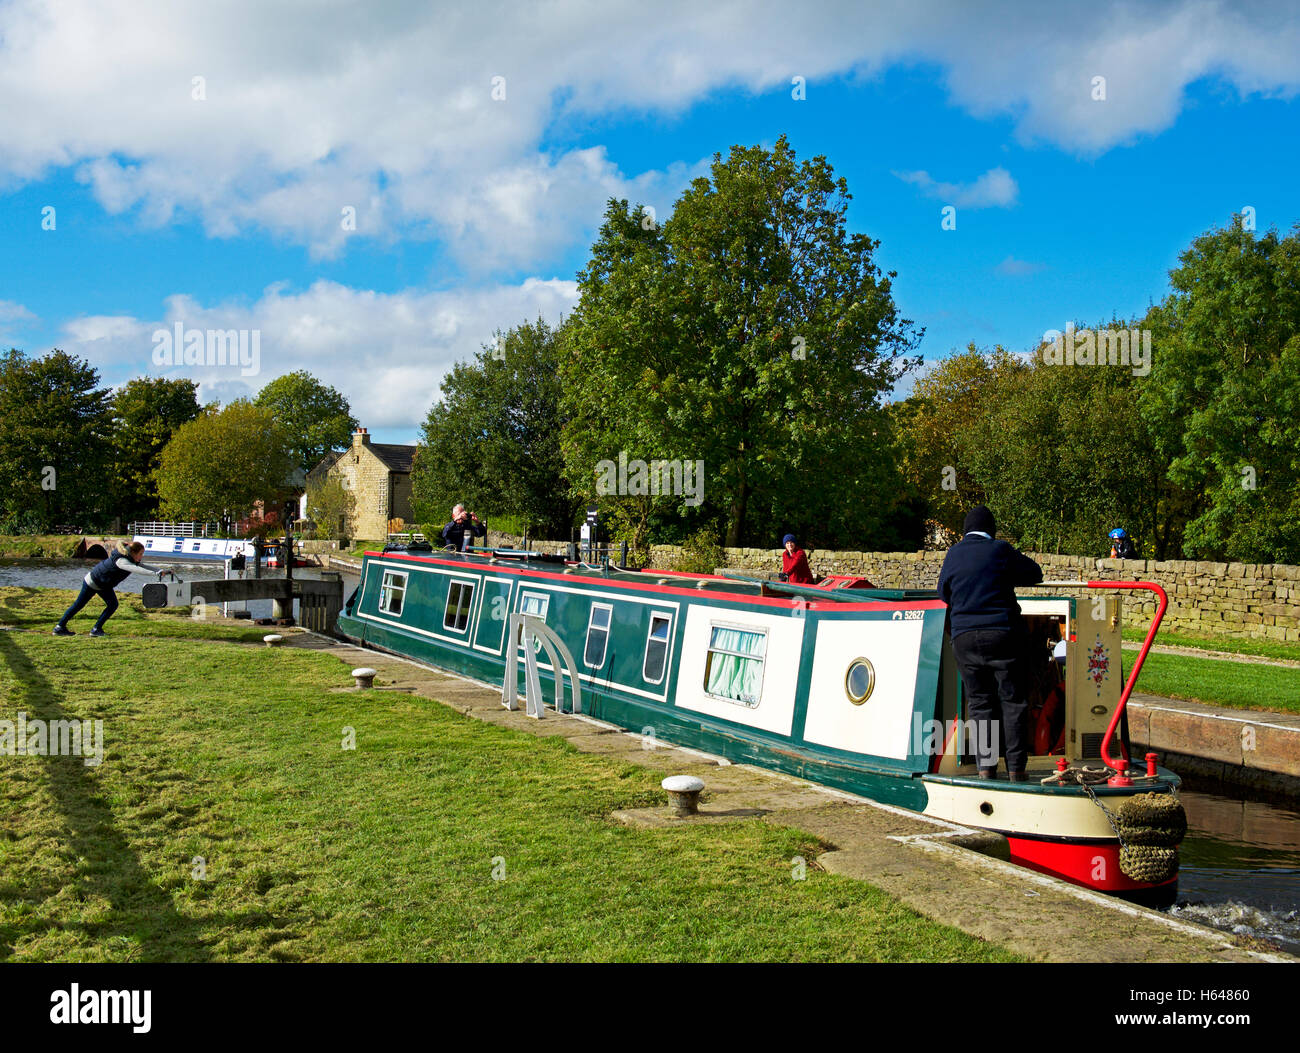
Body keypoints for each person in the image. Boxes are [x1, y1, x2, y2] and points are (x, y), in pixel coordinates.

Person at [937, 506, 1043, 781]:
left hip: (964, 638)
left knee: (980, 703)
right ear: (991, 530)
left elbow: (942, 592)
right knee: (1012, 701)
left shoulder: (953, 554)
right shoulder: (999, 550)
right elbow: (1034, 573)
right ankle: (1017, 769)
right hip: (1002, 633)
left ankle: (985, 768)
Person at [53, 540, 167, 637]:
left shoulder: (129, 557)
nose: (142, 557)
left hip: (103, 585)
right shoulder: (122, 561)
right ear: (133, 552)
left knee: (112, 605)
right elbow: (137, 569)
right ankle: (60, 628)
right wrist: (156, 574)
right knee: (79, 605)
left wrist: (160, 571)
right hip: (93, 582)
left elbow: (142, 566)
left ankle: (96, 629)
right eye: (141, 554)